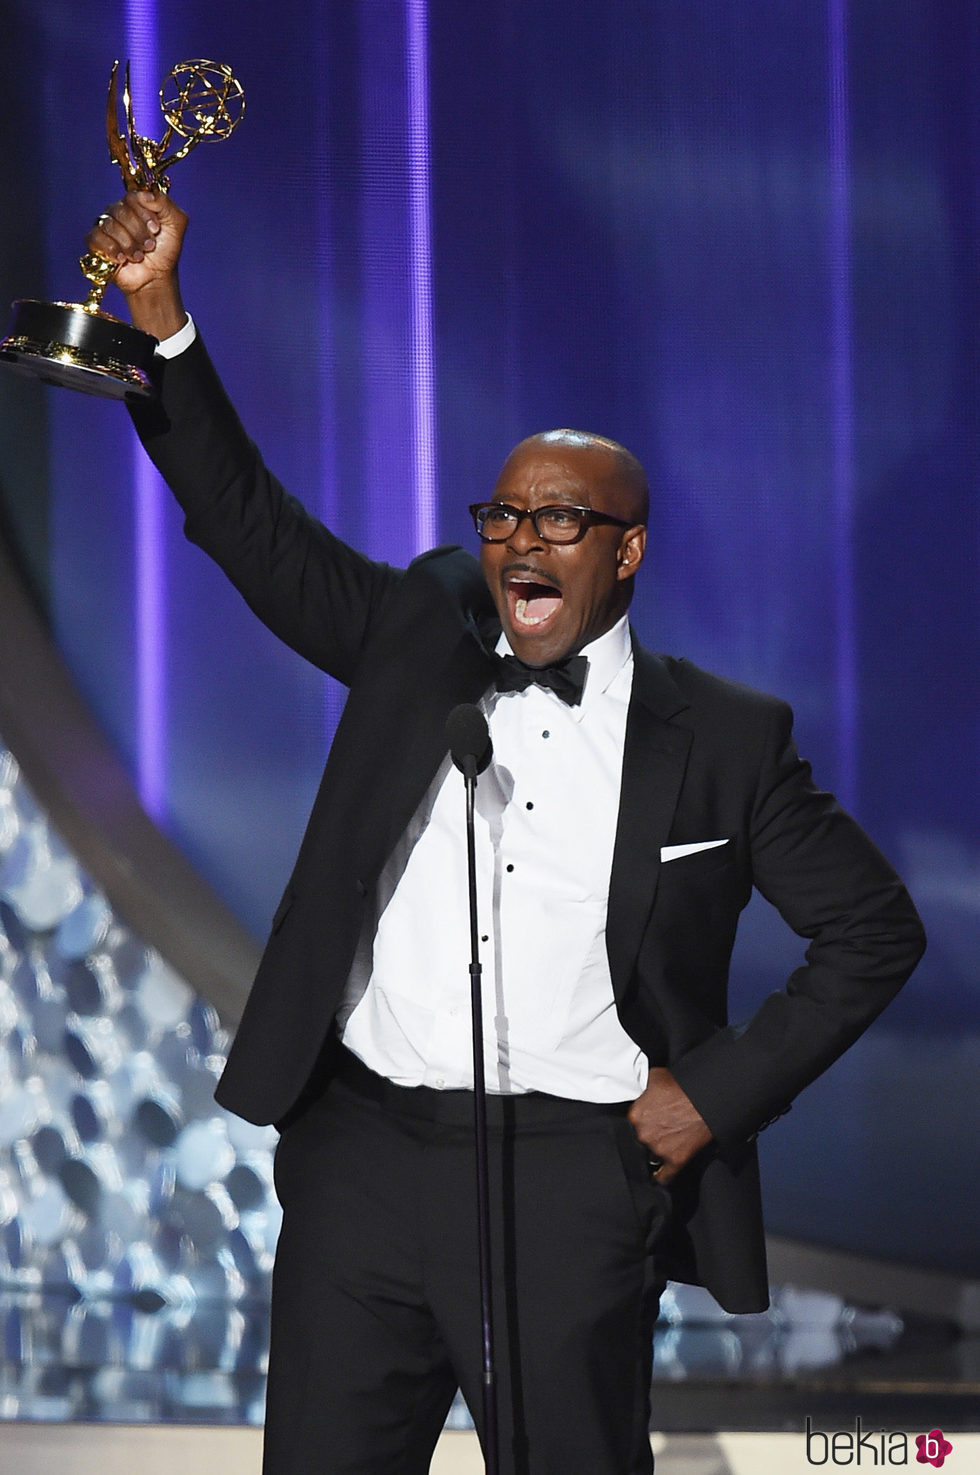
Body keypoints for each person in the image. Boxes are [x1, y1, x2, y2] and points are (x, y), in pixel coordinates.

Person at [85, 193, 925, 1475]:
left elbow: (874, 927)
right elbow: (254, 530)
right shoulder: (421, 632)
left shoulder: (722, 738)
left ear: (627, 548)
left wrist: (709, 1095)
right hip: (360, 1159)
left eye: (558, 521)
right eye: (503, 516)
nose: (520, 541)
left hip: (572, 1179)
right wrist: (159, 324)